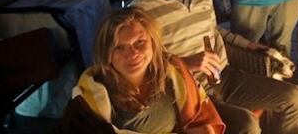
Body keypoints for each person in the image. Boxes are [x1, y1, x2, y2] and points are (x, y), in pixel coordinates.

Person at [132, 0, 298, 134]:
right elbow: (143, 66)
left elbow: (213, 30)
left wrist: (251, 46)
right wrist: (187, 63)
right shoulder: (142, 9)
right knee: (247, 124)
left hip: (222, 76)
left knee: (295, 97)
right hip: (187, 92)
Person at [60, 8, 225, 134]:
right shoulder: (90, 98)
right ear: (107, 54)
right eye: (120, 47)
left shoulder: (173, 71)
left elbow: (200, 121)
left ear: (153, 43)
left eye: (139, 42)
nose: (132, 54)